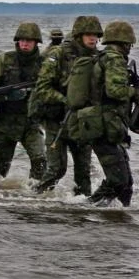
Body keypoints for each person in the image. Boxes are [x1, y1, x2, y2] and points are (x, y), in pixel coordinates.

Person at [28, 16, 101, 195]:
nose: (93, 39)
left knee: (83, 172)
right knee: (56, 169)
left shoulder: (98, 57)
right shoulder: (58, 55)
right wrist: (65, 99)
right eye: (88, 35)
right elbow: (42, 88)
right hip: (57, 121)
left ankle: (82, 207)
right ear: (79, 36)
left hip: (83, 121)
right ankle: (36, 198)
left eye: (96, 35)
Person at [0, 22, 46, 187]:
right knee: (0, 167)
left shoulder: (44, 63)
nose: (25, 44)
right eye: (22, 40)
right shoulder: (5, 59)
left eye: (29, 41)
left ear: (36, 42)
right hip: (5, 120)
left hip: (30, 120)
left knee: (40, 159)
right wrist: (1, 97)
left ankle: (35, 191)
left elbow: (50, 86)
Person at [82, 21, 137, 207]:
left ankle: (118, 221)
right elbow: (115, 91)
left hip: (110, 127)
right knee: (119, 181)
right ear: (126, 43)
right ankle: (86, 207)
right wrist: (134, 92)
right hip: (105, 127)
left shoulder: (104, 57)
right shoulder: (114, 59)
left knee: (126, 184)